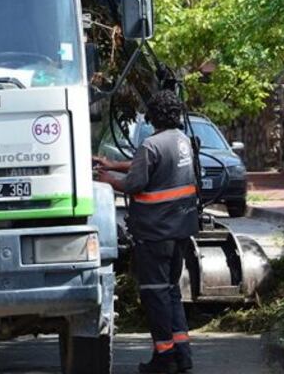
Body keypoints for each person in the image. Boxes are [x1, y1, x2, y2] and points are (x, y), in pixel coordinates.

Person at [95, 90, 199, 373]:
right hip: (180, 230)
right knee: (171, 291)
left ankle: (164, 357)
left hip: (155, 232)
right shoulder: (182, 140)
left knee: (155, 295)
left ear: (153, 116)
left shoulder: (151, 144)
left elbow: (134, 184)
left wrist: (108, 179)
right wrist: (114, 165)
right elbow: (150, 164)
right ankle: (182, 354)